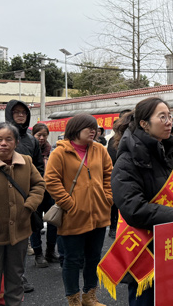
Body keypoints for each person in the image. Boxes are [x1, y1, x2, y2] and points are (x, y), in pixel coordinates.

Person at [109, 97, 173, 305]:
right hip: (145, 247)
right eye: (161, 117)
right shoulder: (128, 159)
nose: (168, 122)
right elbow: (132, 208)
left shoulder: (172, 151)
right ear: (144, 123)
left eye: (170, 116)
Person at [44, 114, 113, 305]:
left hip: (99, 214)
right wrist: (68, 203)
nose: (94, 131)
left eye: (95, 128)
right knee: (73, 260)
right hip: (73, 216)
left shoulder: (100, 149)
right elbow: (51, 180)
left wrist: (108, 198)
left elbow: (109, 175)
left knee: (93, 258)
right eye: (89, 128)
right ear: (76, 129)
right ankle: (73, 298)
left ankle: (89, 296)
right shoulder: (60, 152)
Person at [0, 99, 44, 293]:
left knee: (15, 274)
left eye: (23, 112)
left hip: (21, 220)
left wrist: (30, 205)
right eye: (16, 112)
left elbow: (39, 178)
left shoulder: (31, 142)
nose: (4, 144)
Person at [30, 123, 60, 267]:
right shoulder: (29, 149)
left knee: (53, 221)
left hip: (50, 191)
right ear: (33, 135)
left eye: (44, 135)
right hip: (34, 191)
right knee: (35, 223)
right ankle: (38, 254)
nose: (41, 138)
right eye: (38, 135)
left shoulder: (52, 150)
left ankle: (50, 251)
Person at [106, 110, 131, 239]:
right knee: (115, 205)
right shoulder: (113, 141)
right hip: (119, 178)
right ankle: (113, 227)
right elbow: (111, 162)